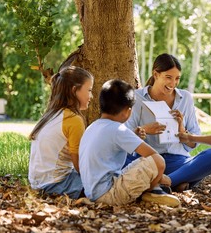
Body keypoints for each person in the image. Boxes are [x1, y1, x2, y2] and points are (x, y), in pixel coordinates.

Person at [124, 53, 211, 192]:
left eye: (177, 78)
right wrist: (144, 130)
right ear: (156, 74)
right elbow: (125, 136)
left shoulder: (185, 98)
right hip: (149, 160)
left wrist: (182, 131)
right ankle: (178, 182)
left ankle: (166, 182)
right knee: (119, 160)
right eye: (168, 77)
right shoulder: (137, 98)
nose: (173, 83)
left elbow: (194, 143)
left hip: (178, 161)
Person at [79, 79, 180, 207]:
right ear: (128, 111)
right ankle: (152, 191)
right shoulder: (118, 129)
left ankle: (153, 188)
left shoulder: (92, 127)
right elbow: (154, 156)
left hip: (92, 193)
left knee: (140, 162)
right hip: (109, 195)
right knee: (158, 161)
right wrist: (162, 178)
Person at [28, 66, 94, 199]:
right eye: (89, 90)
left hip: (37, 183)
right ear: (74, 90)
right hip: (55, 185)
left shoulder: (51, 114)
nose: (91, 96)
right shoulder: (73, 120)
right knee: (104, 184)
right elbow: (79, 166)